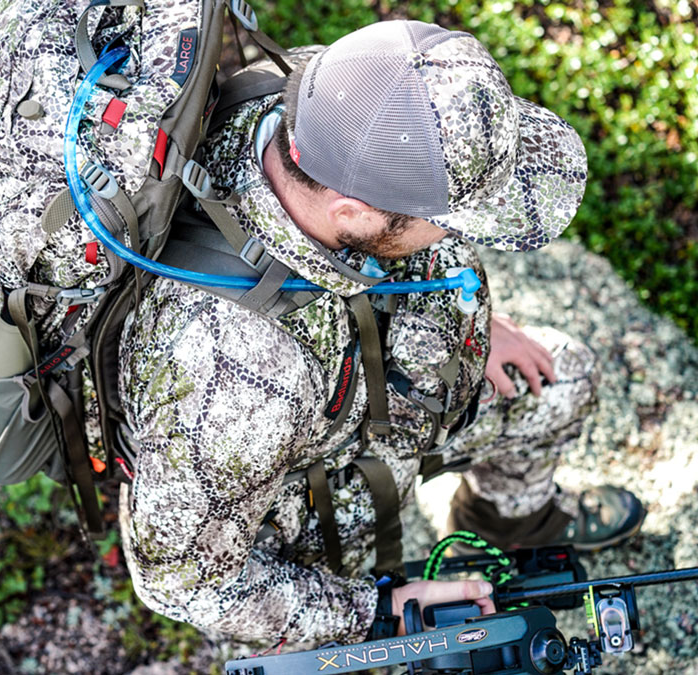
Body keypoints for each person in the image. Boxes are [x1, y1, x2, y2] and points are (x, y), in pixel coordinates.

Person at [114, 20, 646, 648]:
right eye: (449, 222)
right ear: (353, 214)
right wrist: (380, 613)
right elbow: (184, 581)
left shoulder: (317, 101)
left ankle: (509, 524)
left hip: (382, 387)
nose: (458, 237)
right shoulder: (235, 384)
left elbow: (385, 238)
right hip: (300, 491)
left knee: (562, 378)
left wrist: (469, 316)